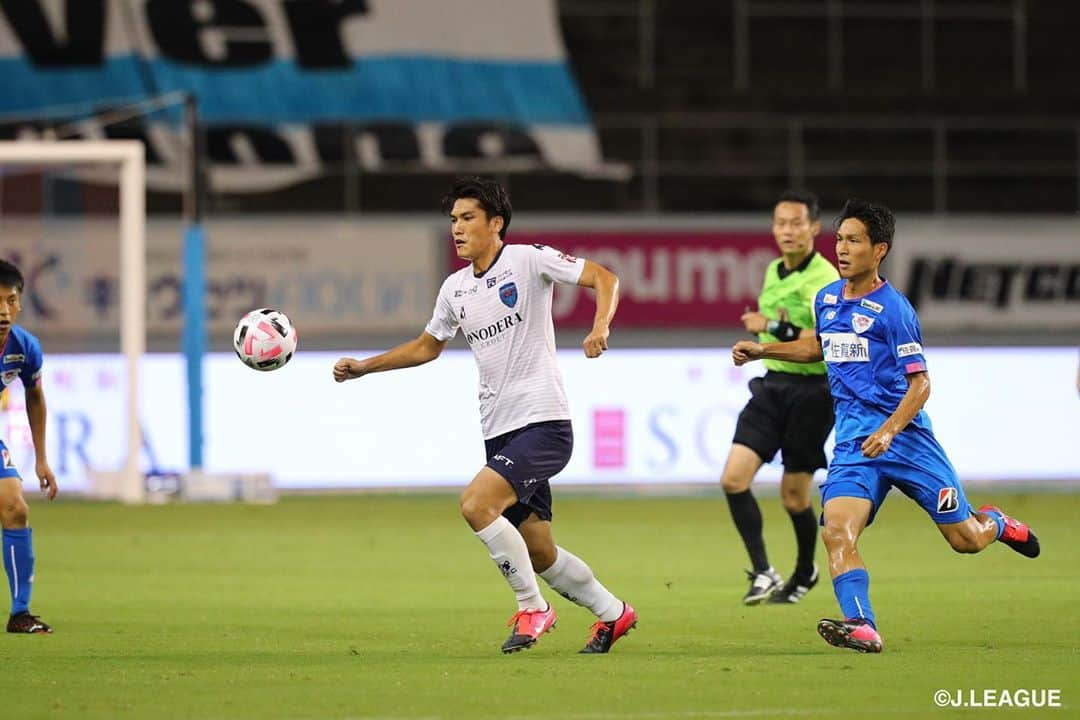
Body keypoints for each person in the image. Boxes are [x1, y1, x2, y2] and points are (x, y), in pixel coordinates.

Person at [333, 176, 637, 654]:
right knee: (539, 552)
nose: (457, 228)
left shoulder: (528, 259)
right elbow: (426, 346)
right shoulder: (455, 289)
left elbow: (605, 277)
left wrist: (600, 328)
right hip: (499, 431)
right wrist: (364, 368)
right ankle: (614, 614)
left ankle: (532, 608)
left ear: (496, 223)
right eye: (453, 219)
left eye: (467, 218)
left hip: (544, 423)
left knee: (476, 504)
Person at [732, 199, 1039, 653]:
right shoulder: (827, 298)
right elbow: (820, 347)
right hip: (857, 445)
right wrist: (765, 351)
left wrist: (890, 430)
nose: (842, 248)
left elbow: (921, 383)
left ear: (879, 250)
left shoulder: (894, 311)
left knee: (965, 540)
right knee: (837, 529)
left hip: (908, 441)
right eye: (839, 239)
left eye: (854, 240)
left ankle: (993, 521)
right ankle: (861, 624)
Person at [722, 190, 838, 605]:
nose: (787, 231)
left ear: (814, 229)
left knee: (794, 497)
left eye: (795, 223)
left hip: (813, 393)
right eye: (780, 223)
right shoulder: (774, 269)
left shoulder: (825, 279)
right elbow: (784, 332)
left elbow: (819, 344)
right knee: (733, 479)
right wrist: (767, 331)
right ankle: (764, 572)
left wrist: (767, 326)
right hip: (772, 386)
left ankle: (805, 570)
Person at [0, 260, 58, 634]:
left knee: (15, 507)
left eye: (11, 301)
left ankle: (20, 613)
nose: (3, 311)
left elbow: (35, 397)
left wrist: (41, 460)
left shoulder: (25, 348)